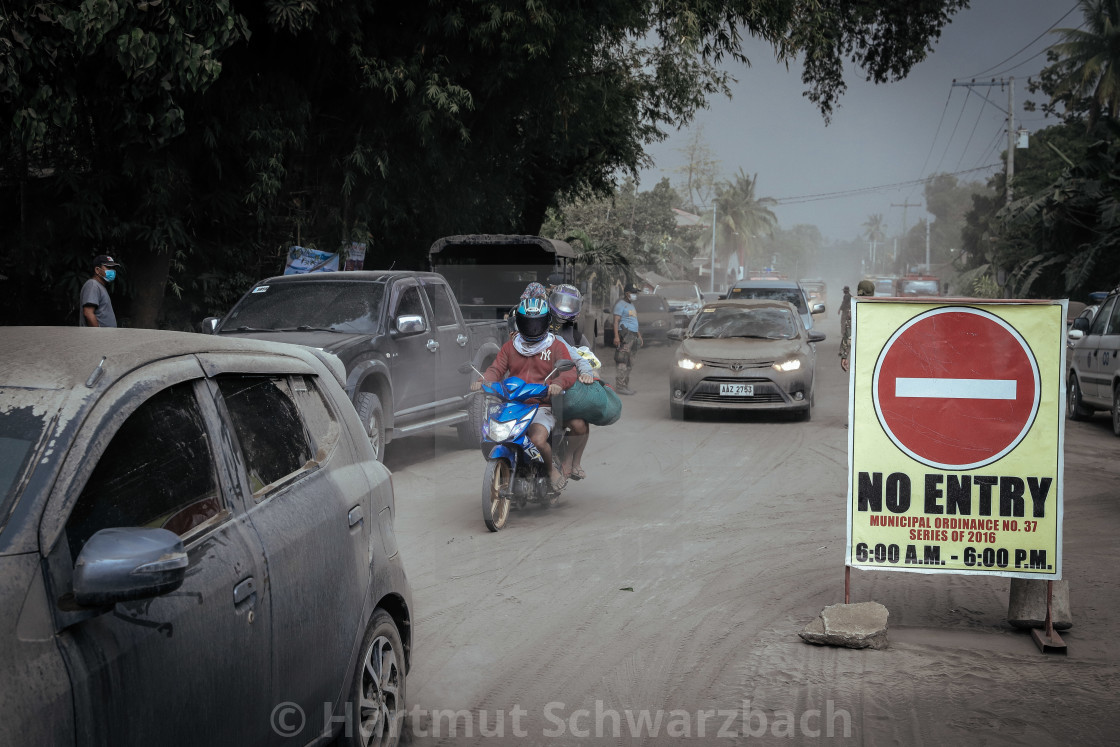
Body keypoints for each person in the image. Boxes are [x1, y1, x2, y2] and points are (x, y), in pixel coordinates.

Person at [473, 297, 579, 491]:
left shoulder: (555, 346)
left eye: (537, 323)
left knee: (537, 439)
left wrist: (557, 383)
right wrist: (483, 380)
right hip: (513, 404)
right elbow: (496, 369)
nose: (533, 328)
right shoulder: (510, 346)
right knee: (495, 435)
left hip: (541, 406)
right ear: (519, 322)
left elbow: (569, 371)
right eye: (528, 323)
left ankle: (551, 471)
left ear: (546, 322)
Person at [548, 283, 596, 481]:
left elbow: (587, 360)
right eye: (561, 302)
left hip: (564, 390)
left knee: (580, 424)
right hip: (534, 388)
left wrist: (588, 373)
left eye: (570, 304)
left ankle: (572, 461)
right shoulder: (535, 331)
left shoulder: (577, 337)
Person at [612, 283, 643, 395]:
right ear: (627, 293)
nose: (635, 295)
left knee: (630, 362)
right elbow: (616, 321)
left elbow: (634, 322)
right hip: (625, 336)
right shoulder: (621, 305)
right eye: (633, 293)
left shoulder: (631, 305)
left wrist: (639, 336)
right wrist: (616, 336)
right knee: (622, 361)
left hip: (633, 336)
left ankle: (625, 385)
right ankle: (620, 386)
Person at [840, 280, 875, 372]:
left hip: (861, 354)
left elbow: (848, 334)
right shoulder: (881, 308)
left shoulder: (854, 309)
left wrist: (844, 355)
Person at [79, 254, 121, 327]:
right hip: (98, 337)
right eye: (108, 267)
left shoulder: (100, 286)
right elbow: (88, 313)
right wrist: (98, 335)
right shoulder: (92, 285)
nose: (112, 271)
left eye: (113, 268)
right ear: (97, 270)